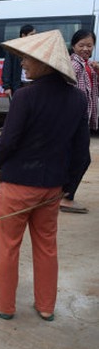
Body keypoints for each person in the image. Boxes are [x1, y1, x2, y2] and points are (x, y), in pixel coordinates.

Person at [0, 29, 90, 322]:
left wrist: (2, 168)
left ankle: (3, 304)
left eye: (29, 59)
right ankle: (46, 306)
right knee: (46, 247)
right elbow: (82, 153)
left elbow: (7, 142)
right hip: (52, 186)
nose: (24, 63)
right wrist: (66, 186)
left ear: (46, 64)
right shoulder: (79, 99)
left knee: (8, 246)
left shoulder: (25, 97)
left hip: (17, 184)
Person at [60, 29, 98, 214]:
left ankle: (62, 194)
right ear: (73, 45)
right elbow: (65, 90)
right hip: (75, 118)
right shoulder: (74, 65)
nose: (85, 49)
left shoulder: (86, 65)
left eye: (89, 45)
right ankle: (66, 197)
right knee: (81, 158)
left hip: (81, 117)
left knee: (76, 157)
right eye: (81, 45)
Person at [2, 25, 35, 99]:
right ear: (23, 35)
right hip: (19, 85)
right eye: (32, 35)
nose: (34, 37)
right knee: (20, 107)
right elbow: (7, 68)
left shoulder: (35, 48)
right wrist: (7, 86)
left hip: (33, 84)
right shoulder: (14, 50)